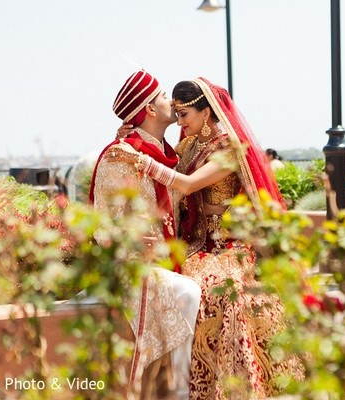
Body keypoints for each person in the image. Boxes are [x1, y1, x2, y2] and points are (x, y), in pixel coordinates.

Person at [108, 77, 301, 399]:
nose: (180, 122)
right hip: (193, 243)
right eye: (178, 114)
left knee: (221, 294)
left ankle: (233, 385)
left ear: (206, 111)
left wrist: (142, 161)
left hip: (227, 244)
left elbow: (186, 184)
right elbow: (163, 170)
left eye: (184, 114)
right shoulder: (187, 146)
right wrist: (131, 142)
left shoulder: (230, 149)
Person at [89, 70, 201, 400]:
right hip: (131, 265)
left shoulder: (167, 153)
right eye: (164, 96)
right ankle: (177, 392)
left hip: (166, 259)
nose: (172, 102)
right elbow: (100, 224)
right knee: (187, 292)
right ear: (150, 109)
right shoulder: (120, 155)